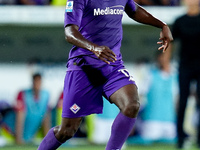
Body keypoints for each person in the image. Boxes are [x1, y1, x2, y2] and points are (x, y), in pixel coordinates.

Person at [37, 0, 173, 149]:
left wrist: (162, 25)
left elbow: (134, 10)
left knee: (131, 104)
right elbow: (69, 33)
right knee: (67, 131)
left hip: (112, 64)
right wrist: (94, 48)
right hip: (83, 67)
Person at [170, 0, 200, 148]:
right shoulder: (180, 21)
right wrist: (166, 61)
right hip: (185, 66)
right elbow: (170, 41)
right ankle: (180, 137)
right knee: (182, 101)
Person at [139, 50, 177, 143]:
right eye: (161, 57)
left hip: (170, 121)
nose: (163, 60)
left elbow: (177, 99)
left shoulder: (175, 76)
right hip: (152, 121)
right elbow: (140, 95)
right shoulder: (150, 75)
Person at [15, 73, 51, 144]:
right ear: (32, 82)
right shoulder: (23, 94)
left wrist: (47, 139)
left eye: (39, 82)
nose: (37, 84)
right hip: (11, 133)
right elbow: (20, 116)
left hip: (29, 136)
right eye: (35, 81)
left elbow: (45, 117)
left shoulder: (46, 95)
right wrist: (18, 138)